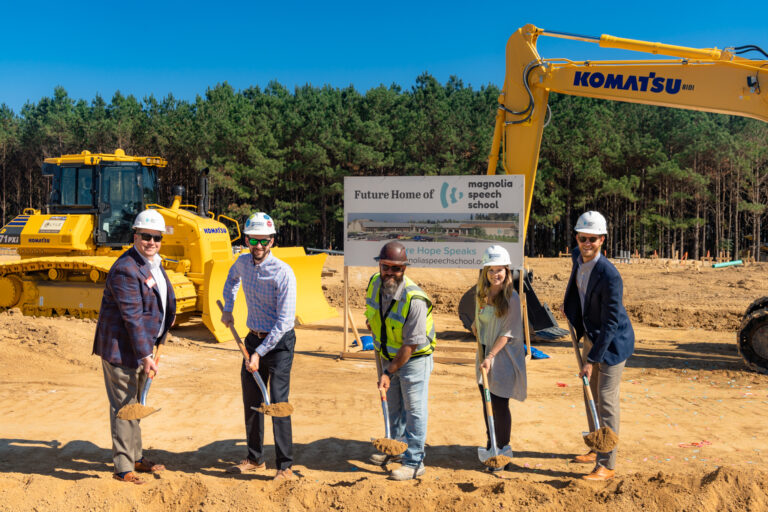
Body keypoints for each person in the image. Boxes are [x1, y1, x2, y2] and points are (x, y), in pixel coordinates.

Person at [93, 209, 176, 484]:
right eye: (146, 236)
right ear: (135, 236)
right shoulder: (126, 269)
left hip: (144, 348)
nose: (151, 242)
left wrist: (162, 331)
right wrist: (145, 354)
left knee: (136, 404)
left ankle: (136, 457)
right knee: (124, 407)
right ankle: (122, 467)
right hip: (122, 350)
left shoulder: (152, 263)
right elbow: (133, 317)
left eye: (156, 237)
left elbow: (162, 301)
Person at [221, 212, 297, 481]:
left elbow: (285, 322)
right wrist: (228, 309)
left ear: (272, 241)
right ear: (246, 240)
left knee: (277, 402)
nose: (259, 246)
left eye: (264, 241)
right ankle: (255, 459)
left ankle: (285, 467)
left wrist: (259, 353)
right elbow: (230, 281)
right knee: (253, 401)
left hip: (278, 345)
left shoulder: (283, 273)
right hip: (252, 336)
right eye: (253, 240)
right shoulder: (242, 263)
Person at [563, 211, 634, 481]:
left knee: (605, 400)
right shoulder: (576, 256)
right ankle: (596, 446)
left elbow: (612, 323)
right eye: (582, 238)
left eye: (592, 239)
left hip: (612, 343)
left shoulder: (610, 276)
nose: (587, 243)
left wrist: (593, 359)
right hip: (592, 335)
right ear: (577, 238)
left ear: (602, 240)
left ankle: (607, 463)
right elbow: (577, 288)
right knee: (589, 393)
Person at [365, 241, 436, 481]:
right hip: (387, 355)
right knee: (394, 407)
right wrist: (372, 323)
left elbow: (410, 345)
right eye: (386, 267)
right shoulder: (375, 283)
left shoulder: (415, 299)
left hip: (413, 359)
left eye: (396, 268)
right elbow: (372, 311)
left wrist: (388, 371)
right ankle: (396, 449)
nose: (390, 273)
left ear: (404, 269)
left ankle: (415, 462)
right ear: (380, 265)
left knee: (414, 410)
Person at [472, 245, 526, 471]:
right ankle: (490, 444)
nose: (496, 275)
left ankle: (502, 448)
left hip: (502, 357)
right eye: (491, 270)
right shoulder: (481, 295)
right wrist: (476, 329)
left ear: (507, 270)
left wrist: (491, 356)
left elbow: (507, 332)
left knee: (499, 403)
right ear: (485, 271)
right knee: (487, 404)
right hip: (484, 354)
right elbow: (478, 322)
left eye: (500, 270)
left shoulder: (512, 298)